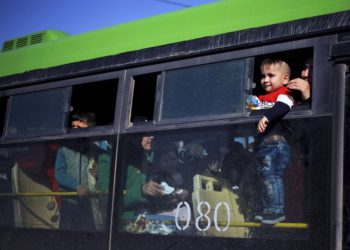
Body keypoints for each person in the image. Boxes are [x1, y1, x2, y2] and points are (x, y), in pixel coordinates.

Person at [252, 58, 294, 224]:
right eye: (263, 76)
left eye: (271, 75)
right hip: (264, 146)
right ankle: (267, 209)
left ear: (285, 79)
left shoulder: (284, 93)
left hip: (275, 145)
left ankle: (277, 210)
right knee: (264, 177)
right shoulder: (261, 98)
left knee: (272, 176)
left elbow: (284, 106)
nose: (265, 79)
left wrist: (267, 116)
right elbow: (244, 107)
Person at [54, 112, 97, 231]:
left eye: (79, 127)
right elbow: (59, 174)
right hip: (69, 202)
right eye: (73, 127)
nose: (75, 130)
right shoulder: (63, 148)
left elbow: (105, 171)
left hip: (90, 202)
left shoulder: (95, 148)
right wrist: (76, 186)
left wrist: (97, 173)